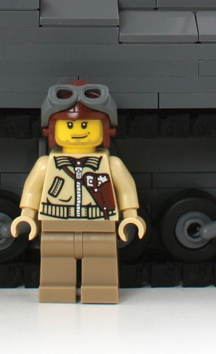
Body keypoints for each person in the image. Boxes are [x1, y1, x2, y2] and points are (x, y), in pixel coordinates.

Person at [10, 82, 146, 303]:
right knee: (56, 260)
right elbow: (33, 190)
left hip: (99, 223)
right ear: (52, 130)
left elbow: (125, 189)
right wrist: (27, 215)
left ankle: (100, 291)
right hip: (56, 222)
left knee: (101, 261)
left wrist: (131, 216)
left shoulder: (112, 164)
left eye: (86, 125)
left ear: (105, 129)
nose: (78, 131)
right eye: (69, 125)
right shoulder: (46, 164)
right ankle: (56, 291)